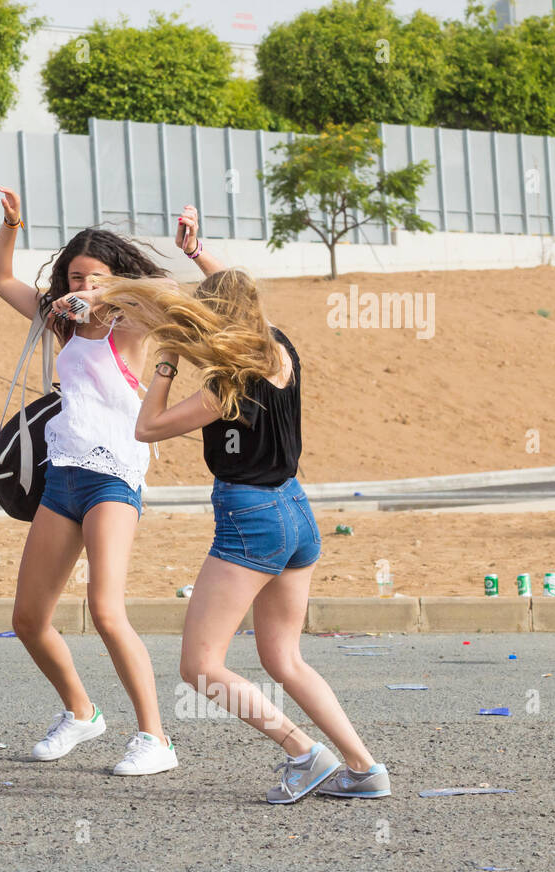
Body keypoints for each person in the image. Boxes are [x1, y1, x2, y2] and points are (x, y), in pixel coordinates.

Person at [88, 217, 391, 803]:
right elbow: (233, 296)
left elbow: (146, 427)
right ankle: (364, 768)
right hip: (296, 512)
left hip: (251, 518)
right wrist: (199, 254)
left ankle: (306, 755)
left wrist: (168, 362)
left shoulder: (226, 385)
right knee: (284, 658)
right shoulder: (280, 347)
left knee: (200, 666)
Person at [0, 189, 192, 774]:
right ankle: (81, 711)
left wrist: (110, 295)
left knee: (106, 608)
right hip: (63, 479)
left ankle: (156, 738)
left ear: (117, 280)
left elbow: (172, 299)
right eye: (75, 278)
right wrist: (13, 223)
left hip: (114, 479)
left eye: (94, 278)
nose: (82, 288)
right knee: (27, 618)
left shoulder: (132, 327)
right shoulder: (64, 328)